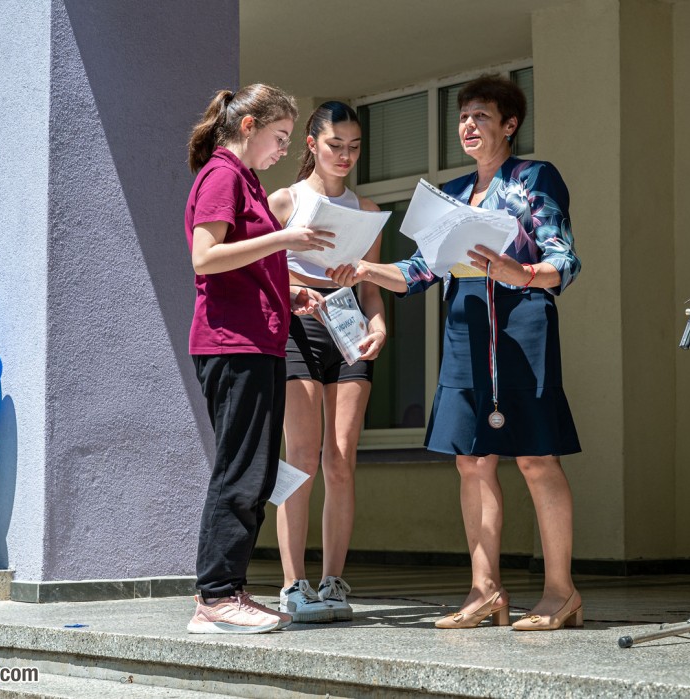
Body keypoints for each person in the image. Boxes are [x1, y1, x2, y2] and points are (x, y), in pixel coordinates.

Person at [328, 75, 583, 631]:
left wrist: (519, 270)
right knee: (471, 460)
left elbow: (564, 258)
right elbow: (420, 270)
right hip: (465, 325)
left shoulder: (535, 177)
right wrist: (367, 269)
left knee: (536, 458)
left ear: (510, 125)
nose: (468, 125)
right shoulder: (453, 191)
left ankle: (561, 592)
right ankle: (485, 590)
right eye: (463, 117)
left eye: (481, 116)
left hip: (523, 320)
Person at [184, 84, 335, 634]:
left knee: (257, 470)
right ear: (248, 126)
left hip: (259, 342)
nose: (284, 150)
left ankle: (229, 590)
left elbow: (243, 266)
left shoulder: (245, 180)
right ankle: (216, 596)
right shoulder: (222, 175)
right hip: (233, 345)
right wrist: (285, 240)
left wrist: (287, 292)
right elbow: (206, 257)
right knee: (241, 468)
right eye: (280, 136)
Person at [267, 102, 386, 623]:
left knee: (340, 458)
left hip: (348, 321)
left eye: (354, 147)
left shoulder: (367, 209)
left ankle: (333, 580)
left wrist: (379, 325)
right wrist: (293, 287)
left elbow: (372, 285)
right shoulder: (285, 200)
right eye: (335, 145)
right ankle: (292, 583)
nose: (345, 155)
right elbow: (255, 272)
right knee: (300, 455)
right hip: (297, 323)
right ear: (312, 144)